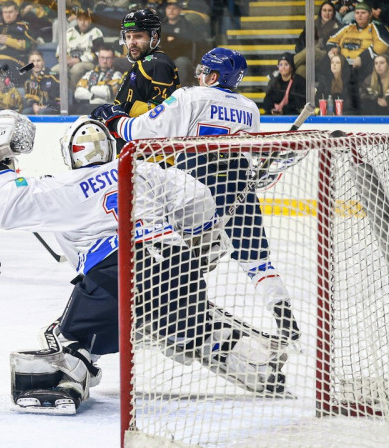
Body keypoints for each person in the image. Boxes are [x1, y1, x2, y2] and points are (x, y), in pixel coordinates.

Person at [0, 111, 289, 414]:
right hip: (177, 262)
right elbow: (199, 199)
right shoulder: (144, 170)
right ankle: (259, 367)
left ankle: (68, 381)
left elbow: (9, 206)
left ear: (71, 154)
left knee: (64, 336)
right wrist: (197, 242)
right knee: (188, 328)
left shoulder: (66, 185)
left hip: (117, 272)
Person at [90, 48, 301, 346]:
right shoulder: (250, 108)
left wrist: (114, 120)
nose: (199, 74)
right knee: (257, 262)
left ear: (215, 75)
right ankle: (286, 319)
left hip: (191, 188)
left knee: (168, 255)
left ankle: (157, 312)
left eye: (204, 70)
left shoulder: (190, 96)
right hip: (237, 187)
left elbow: (142, 132)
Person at [114, 8, 181, 118]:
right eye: (128, 37)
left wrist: (125, 111)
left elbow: (165, 110)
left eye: (138, 36)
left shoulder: (159, 64)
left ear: (154, 37)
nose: (131, 42)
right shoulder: (146, 61)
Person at [325, 2, 389, 84]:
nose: (360, 15)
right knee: (325, 62)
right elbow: (331, 40)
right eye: (357, 13)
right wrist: (333, 50)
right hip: (343, 63)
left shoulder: (377, 27)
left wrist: (362, 58)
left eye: (363, 13)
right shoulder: (347, 26)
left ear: (370, 15)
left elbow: (382, 45)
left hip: (364, 65)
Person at [52, 8, 103, 90]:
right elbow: (60, 50)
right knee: (54, 70)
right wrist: (64, 59)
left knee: (76, 70)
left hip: (87, 62)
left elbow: (99, 53)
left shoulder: (96, 32)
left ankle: (73, 95)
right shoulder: (69, 32)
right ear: (77, 20)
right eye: (80, 20)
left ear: (90, 20)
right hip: (69, 61)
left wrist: (79, 60)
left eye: (85, 20)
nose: (82, 23)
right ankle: (61, 95)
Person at [0, 1, 35, 74]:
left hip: (12, 61)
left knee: (0, 69)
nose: (7, 15)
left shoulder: (24, 26)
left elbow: (30, 44)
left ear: (16, 12)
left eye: (10, 12)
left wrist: (8, 41)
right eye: (5, 12)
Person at [294, 0, 342, 79]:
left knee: (312, 51)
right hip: (308, 58)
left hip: (325, 57)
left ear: (333, 13)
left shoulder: (338, 27)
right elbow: (299, 44)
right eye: (324, 10)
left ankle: (286, 65)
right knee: (300, 69)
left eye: (330, 11)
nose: (327, 13)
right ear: (320, 12)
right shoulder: (311, 25)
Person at [72, 45, 124, 114]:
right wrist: (93, 96)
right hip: (87, 109)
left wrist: (89, 88)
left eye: (108, 58)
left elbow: (108, 93)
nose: (105, 61)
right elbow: (77, 93)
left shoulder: (117, 75)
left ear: (113, 59)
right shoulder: (89, 74)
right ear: (98, 58)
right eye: (102, 58)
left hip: (106, 111)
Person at [22, 50, 60, 115]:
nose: (36, 64)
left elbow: (57, 100)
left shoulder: (53, 76)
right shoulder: (28, 81)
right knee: (25, 113)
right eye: (33, 61)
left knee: (43, 112)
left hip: (52, 107)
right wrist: (34, 105)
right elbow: (29, 99)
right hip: (36, 107)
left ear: (43, 62)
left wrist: (44, 106)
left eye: (38, 61)